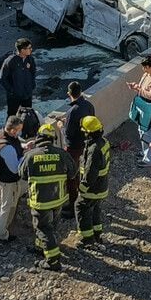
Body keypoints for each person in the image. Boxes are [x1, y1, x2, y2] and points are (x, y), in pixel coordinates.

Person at [19, 123, 77, 271]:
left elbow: (22, 174)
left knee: (43, 228)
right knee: (51, 225)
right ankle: (42, 247)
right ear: (53, 138)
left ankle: (53, 261)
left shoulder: (31, 155)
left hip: (40, 201)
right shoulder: (62, 154)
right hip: (58, 199)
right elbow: (73, 173)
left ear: (38, 137)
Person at [59, 81, 95, 219]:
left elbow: (67, 133)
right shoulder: (89, 106)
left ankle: (73, 204)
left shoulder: (72, 111)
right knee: (84, 173)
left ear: (69, 94)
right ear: (81, 92)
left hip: (73, 148)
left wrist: (62, 125)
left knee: (72, 176)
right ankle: (84, 199)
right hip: (86, 145)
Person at [0, 115, 27, 243]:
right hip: (8, 180)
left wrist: (24, 146)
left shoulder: (1, 134)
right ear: (12, 130)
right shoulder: (8, 149)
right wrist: (26, 157)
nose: (20, 132)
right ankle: (1, 234)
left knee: (3, 201)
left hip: (2, 178)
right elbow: (16, 168)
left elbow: (15, 146)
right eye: (19, 130)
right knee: (7, 205)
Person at [74, 115, 111, 247]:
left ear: (88, 132)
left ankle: (87, 239)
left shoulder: (93, 149)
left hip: (92, 188)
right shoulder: (104, 142)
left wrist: (82, 188)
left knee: (81, 207)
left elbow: (90, 173)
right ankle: (97, 233)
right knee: (94, 208)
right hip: (102, 185)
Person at [127, 54, 151, 168]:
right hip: (143, 110)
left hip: (150, 112)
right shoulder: (146, 75)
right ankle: (146, 153)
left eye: (146, 67)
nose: (144, 69)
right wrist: (136, 87)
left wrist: (138, 88)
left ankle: (149, 159)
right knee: (142, 132)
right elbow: (143, 89)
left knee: (149, 135)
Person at [0, 38, 36, 116]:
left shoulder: (30, 59)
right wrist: (12, 91)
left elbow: (33, 72)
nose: (31, 49)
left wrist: (32, 85)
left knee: (27, 115)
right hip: (14, 97)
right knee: (12, 115)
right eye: (29, 48)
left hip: (27, 94)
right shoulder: (10, 61)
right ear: (22, 50)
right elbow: (2, 78)